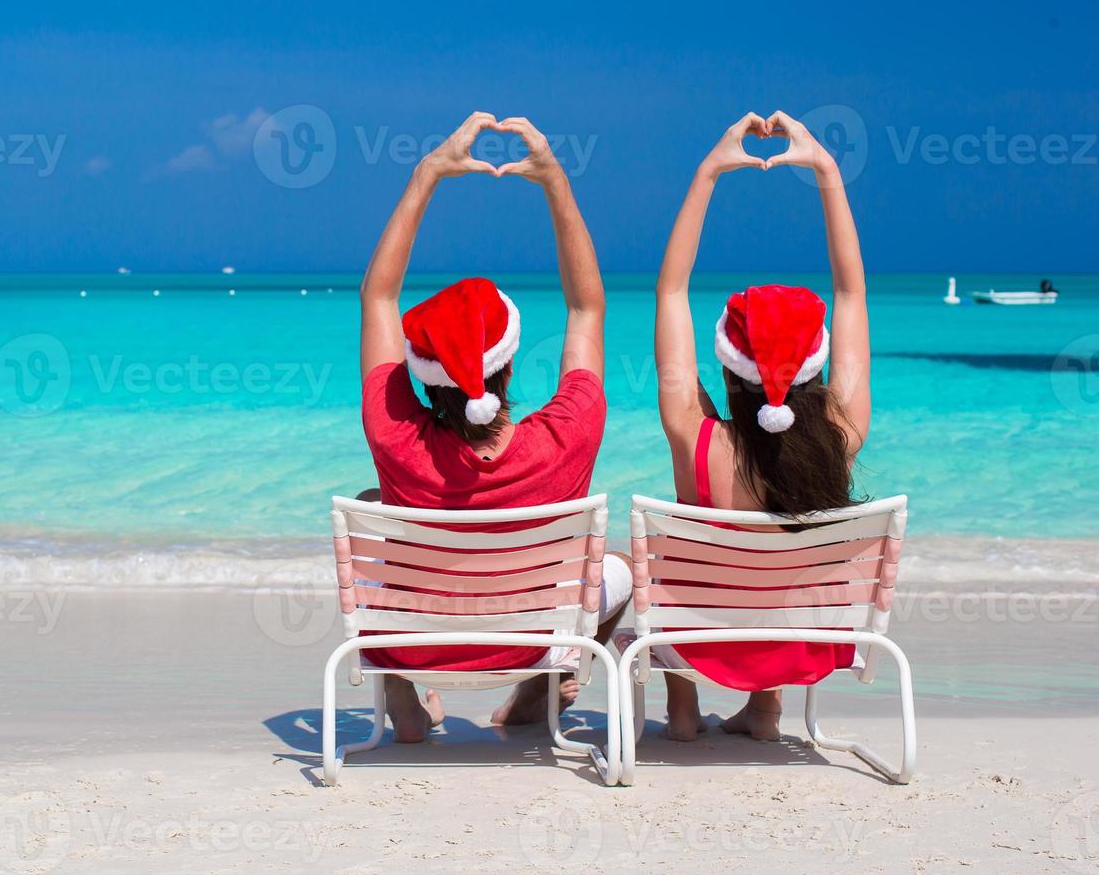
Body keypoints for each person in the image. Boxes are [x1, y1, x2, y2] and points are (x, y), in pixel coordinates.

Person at [356, 111, 631, 743]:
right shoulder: (567, 434)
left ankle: (403, 695)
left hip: (419, 644)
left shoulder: (396, 435)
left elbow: (377, 297)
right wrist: (556, 182)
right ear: (508, 363)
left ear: (424, 374)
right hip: (534, 638)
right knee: (614, 563)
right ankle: (537, 687)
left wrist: (427, 173)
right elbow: (587, 306)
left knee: (374, 507)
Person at [652, 110, 872, 742]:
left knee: (667, 560)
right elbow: (851, 293)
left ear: (727, 362)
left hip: (704, 643)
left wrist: (707, 174)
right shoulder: (842, 429)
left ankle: (685, 709)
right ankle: (766, 706)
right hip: (805, 648)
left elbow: (671, 291)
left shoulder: (693, 431)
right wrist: (827, 173)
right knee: (779, 567)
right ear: (815, 365)